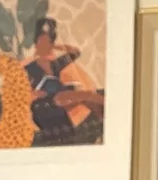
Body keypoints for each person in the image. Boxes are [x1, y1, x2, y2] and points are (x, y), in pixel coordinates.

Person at [25, 18, 104, 146]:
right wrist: (35, 94)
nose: (45, 45)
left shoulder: (55, 64)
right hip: (46, 102)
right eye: (41, 41)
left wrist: (57, 46)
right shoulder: (30, 68)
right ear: (36, 43)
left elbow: (75, 52)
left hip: (61, 96)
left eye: (48, 42)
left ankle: (103, 126)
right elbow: (22, 92)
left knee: (88, 99)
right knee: (85, 96)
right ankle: (110, 107)